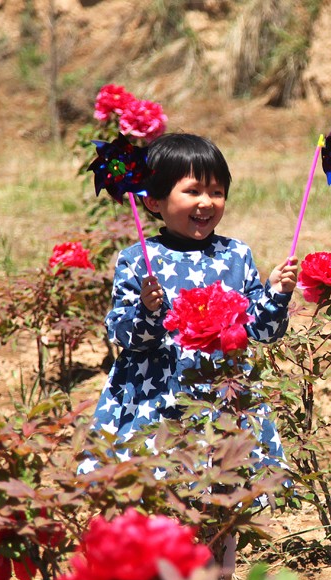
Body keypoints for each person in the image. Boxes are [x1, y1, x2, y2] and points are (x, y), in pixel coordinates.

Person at [82, 132, 298, 475]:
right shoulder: (139, 259)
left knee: (228, 482)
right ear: (153, 201)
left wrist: (277, 293)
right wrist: (147, 311)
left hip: (224, 392)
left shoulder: (235, 255)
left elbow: (262, 332)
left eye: (217, 192)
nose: (207, 202)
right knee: (159, 480)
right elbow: (125, 337)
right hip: (157, 397)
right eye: (193, 191)